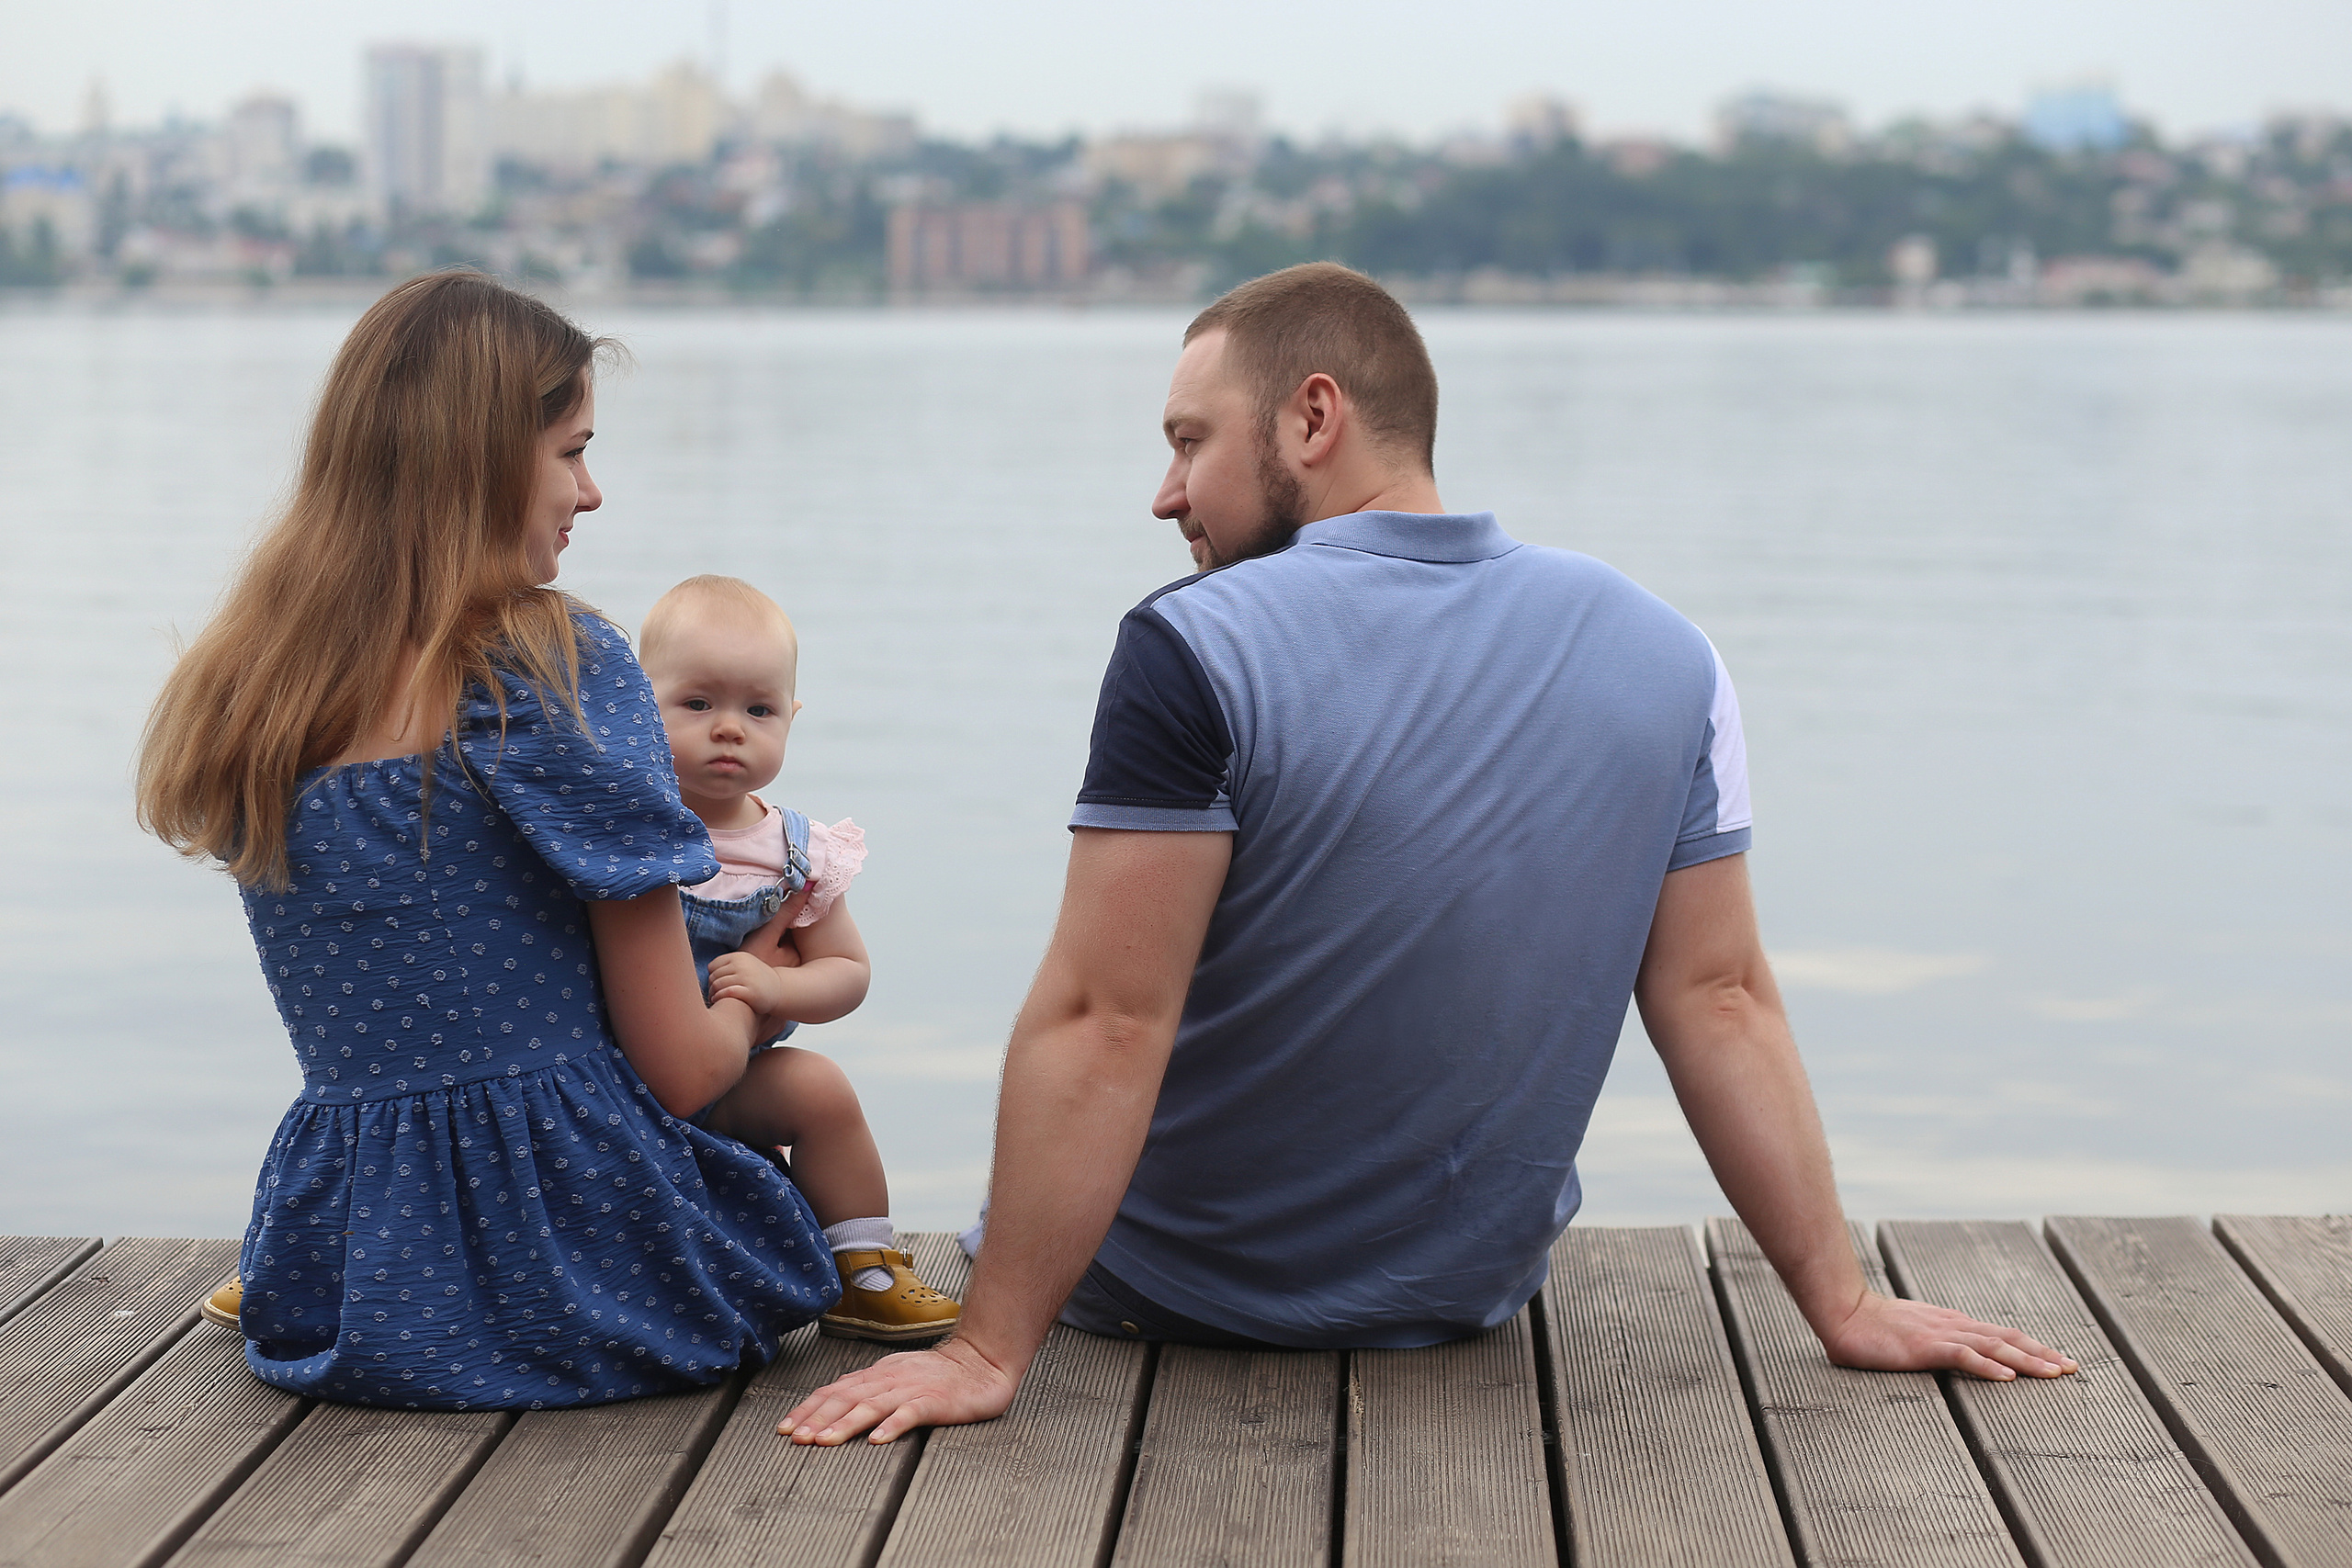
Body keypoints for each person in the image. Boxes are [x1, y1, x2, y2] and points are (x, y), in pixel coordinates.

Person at [780, 262, 2075, 1446]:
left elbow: (1105, 1016)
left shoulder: (1194, 642)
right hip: (1465, 1299)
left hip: (1161, 1293)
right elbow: (1718, 996)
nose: (1166, 493)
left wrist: (985, 1348)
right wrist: (1842, 1301)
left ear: (1311, 417)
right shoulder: (1672, 654)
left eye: (1190, 442)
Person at [137, 271, 848, 1408]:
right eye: (571, 451)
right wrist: (757, 989)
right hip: (587, 1269)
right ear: (479, 456)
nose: (593, 491)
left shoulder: (248, 693)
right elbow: (679, 1072)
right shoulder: (547, 671)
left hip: (351, 1275)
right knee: (794, 1131)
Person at [640, 573, 959, 1340]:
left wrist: (776, 985)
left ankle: (864, 1267)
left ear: (793, 715)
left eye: (759, 709)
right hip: (622, 1072)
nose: (729, 729)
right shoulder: (625, 828)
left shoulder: (797, 852)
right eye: (697, 703)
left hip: (737, 1073)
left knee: (820, 1088)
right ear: (637, 708)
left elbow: (847, 970)